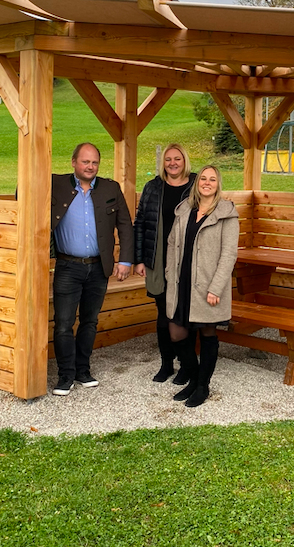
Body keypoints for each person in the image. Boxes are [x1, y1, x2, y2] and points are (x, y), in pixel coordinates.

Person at [50, 142, 134, 396]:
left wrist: (125, 260)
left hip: (99, 267)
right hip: (67, 266)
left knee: (89, 321)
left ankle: (83, 370)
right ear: (73, 162)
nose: (90, 166)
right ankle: (65, 375)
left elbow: (125, 225)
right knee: (63, 323)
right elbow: (23, 188)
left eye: (94, 162)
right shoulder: (55, 183)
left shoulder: (110, 188)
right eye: (85, 161)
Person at [164, 165, 239, 407]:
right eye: (203, 178)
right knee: (177, 333)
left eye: (212, 179)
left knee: (207, 333)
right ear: (197, 183)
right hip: (181, 282)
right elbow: (171, 243)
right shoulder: (185, 209)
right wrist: (169, 273)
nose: (207, 183)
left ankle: (202, 386)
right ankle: (194, 377)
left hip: (207, 284)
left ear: (218, 184)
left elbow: (229, 254)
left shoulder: (226, 214)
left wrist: (216, 287)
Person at [133, 143, 196, 384]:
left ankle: (187, 365)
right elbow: (140, 223)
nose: (172, 163)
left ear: (184, 160)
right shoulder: (153, 187)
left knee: (184, 313)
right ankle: (166, 363)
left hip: (187, 259)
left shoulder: (196, 185)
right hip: (157, 259)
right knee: (163, 313)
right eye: (168, 159)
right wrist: (139, 259)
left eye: (177, 159)